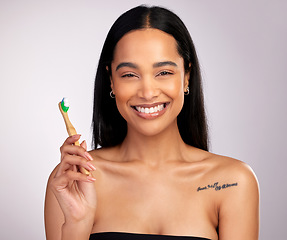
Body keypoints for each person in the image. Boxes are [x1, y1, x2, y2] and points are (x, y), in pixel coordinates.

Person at [44, 5, 259, 240]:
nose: (148, 92)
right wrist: (77, 223)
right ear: (111, 81)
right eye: (129, 75)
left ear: (187, 76)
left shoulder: (232, 182)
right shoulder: (73, 180)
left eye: (164, 72)